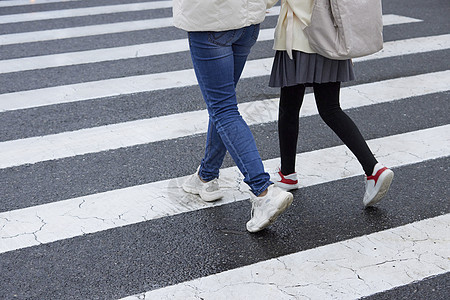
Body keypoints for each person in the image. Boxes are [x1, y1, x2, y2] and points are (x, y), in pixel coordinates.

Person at [173, 0, 293, 232]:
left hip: (210, 21)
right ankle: (206, 176)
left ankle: (263, 190)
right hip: (247, 22)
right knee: (222, 105)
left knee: (223, 108)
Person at [268, 0, 394, 207]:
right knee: (330, 108)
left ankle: (288, 174)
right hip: (331, 34)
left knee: (289, 107)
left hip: (302, 35)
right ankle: (373, 168)